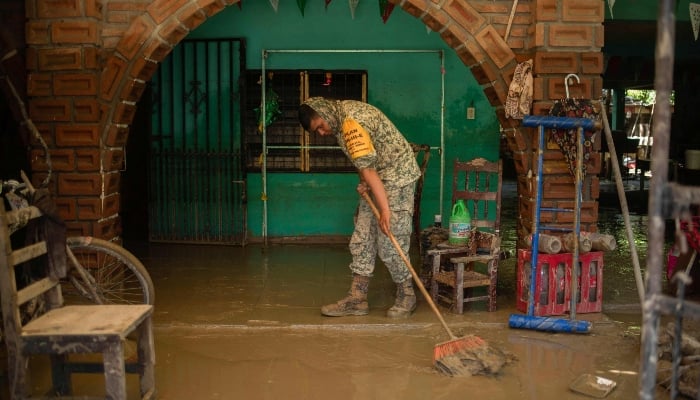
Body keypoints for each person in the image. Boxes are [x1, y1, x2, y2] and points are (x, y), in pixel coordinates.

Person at [298, 97, 422, 318]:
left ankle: (407, 294)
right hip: (377, 177)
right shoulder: (339, 118)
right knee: (362, 235)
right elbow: (364, 163)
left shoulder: (351, 123)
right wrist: (365, 183)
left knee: (390, 237)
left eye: (320, 127)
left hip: (397, 177)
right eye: (317, 131)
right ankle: (357, 298)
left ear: (325, 113)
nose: (322, 133)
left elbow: (370, 169)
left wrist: (385, 211)